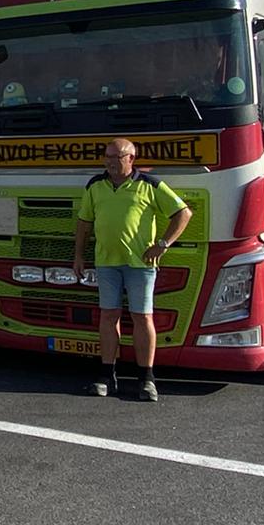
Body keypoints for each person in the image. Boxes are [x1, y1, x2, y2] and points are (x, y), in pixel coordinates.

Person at [72, 138, 191, 401]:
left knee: (142, 318)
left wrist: (162, 244)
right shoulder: (95, 185)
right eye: (107, 157)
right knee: (108, 316)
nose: (111, 163)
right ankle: (106, 375)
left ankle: (146, 379)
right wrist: (78, 255)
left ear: (131, 158)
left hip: (141, 265)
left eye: (117, 157)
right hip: (106, 263)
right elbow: (84, 222)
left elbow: (183, 213)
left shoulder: (149, 185)